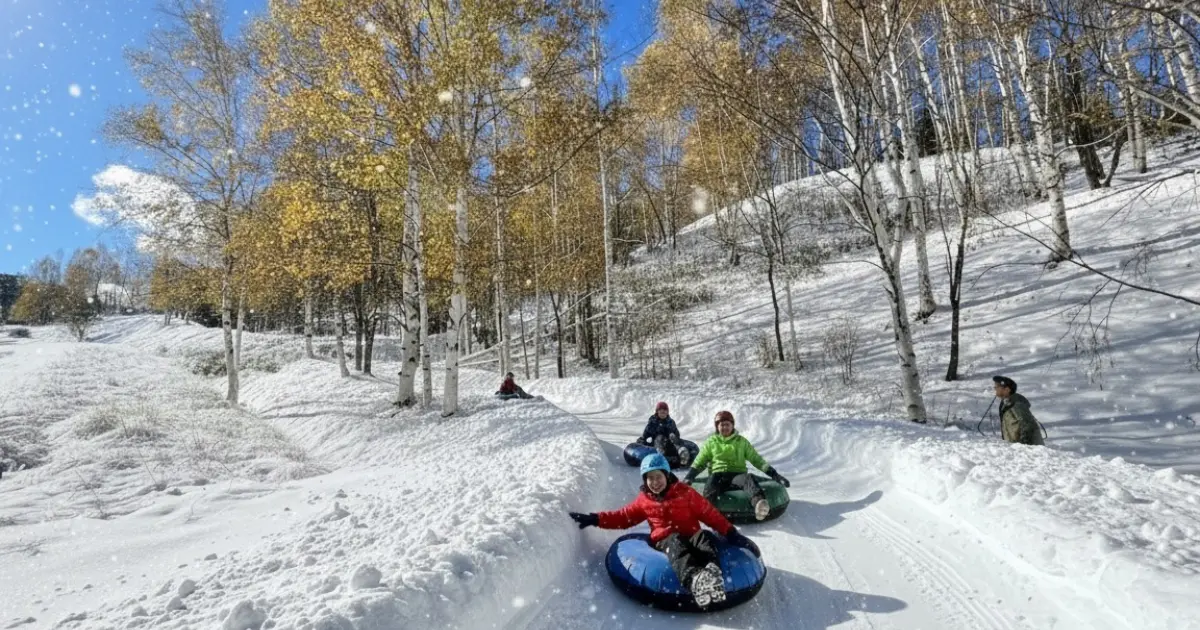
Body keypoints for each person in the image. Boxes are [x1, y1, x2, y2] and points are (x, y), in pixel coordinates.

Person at [568, 453, 760, 608]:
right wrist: (595, 519)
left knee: (705, 538)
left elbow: (710, 514)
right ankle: (693, 578)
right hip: (666, 539)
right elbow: (623, 516)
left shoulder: (686, 493)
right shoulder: (645, 500)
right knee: (676, 543)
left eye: (658, 476)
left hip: (692, 534)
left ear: (667, 476)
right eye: (650, 478)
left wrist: (731, 533)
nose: (655, 482)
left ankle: (712, 572)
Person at [683, 410, 790, 521]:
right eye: (722, 425)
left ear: (732, 425)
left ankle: (759, 504)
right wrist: (689, 477)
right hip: (718, 474)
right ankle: (708, 512)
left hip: (737, 475)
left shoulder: (741, 442)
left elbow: (756, 459)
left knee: (748, 479)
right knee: (712, 483)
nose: (725, 427)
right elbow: (700, 461)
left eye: (727, 424)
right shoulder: (711, 442)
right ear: (717, 427)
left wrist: (774, 475)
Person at [992, 375, 1044, 446]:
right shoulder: (1007, 404)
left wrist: (1023, 447)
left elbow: (1028, 426)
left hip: (1030, 451)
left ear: (1007, 389)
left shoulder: (1016, 404)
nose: (995, 388)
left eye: (997, 386)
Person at [637, 401, 689, 466]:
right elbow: (645, 435)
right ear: (657, 412)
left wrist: (674, 437)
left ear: (667, 412)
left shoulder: (671, 422)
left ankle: (682, 453)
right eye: (660, 410)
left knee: (672, 436)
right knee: (660, 437)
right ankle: (660, 456)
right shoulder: (653, 422)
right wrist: (640, 443)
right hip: (657, 445)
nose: (663, 412)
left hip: (670, 445)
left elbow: (677, 434)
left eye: (665, 410)